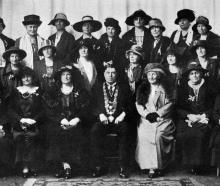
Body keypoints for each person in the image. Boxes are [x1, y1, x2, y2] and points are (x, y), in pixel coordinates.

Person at [43, 65, 90, 179]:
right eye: (63, 74)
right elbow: (49, 109)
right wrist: (61, 119)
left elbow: (86, 108)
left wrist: (77, 119)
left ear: (72, 76)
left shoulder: (80, 90)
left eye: (68, 74)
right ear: (60, 77)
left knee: (78, 134)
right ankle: (63, 165)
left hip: (76, 123)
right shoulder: (53, 91)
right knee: (55, 133)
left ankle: (73, 166)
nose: (66, 77)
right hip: (58, 122)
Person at [90, 64, 132, 178]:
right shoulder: (97, 87)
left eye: (113, 72)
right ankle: (99, 166)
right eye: (108, 73)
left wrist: (122, 115)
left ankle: (123, 166)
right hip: (103, 120)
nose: (110, 75)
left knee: (126, 130)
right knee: (95, 130)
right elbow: (92, 105)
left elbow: (130, 104)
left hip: (119, 120)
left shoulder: (124, 87)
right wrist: (100, 114)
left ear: (117, 74)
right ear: (103, 74)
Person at [135, 63, 175, 178]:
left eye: (154, 74)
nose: (151, 77)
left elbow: (171, 103)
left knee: (158, 136)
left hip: (163, 119)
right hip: (146, 120)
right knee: (144, 135)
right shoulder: (142, 88)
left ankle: (159, 166)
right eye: (149, 74)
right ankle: (149, 166)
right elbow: (138, 104)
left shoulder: (166, 88)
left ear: (159, 75)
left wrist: (158, 113)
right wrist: (147, 115)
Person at [176, 62, 215, 174]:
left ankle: (199, 165)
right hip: (187, 118)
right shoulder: (182, 88)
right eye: (192, 73)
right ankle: (188, 164)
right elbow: (178, 107)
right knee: (184, 133)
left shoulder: (208, 87)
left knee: (200, 134)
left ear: (201, 74)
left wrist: (203, 116)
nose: (194, 75)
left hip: (204, 117)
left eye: (197, 73)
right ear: (188, 76)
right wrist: (189, 115)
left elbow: (213, 106)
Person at [7, 67, 42, 178]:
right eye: (24, 77)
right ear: (21, 79)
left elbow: (43, 109)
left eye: (28, 76)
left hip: (35, 123)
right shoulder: (16, 91)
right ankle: (25, 167)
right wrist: (21, 120)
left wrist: (34, 119)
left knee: (33, 136)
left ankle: (33, 166)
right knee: (21, 137)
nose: (26, 79)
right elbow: (10, 110)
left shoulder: (39, 91)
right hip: (19, 124)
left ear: (32, 77)